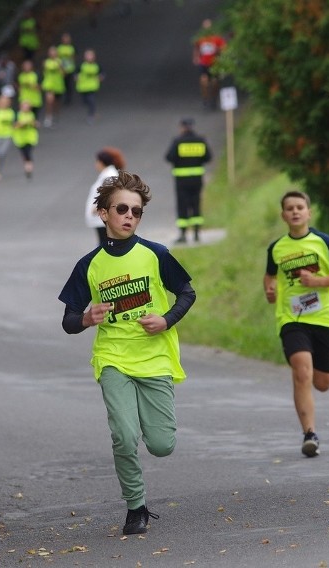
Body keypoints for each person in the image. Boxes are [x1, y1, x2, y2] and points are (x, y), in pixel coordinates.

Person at [58, 170, 196, 536]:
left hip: (155, 357)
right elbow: (69, 320)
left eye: (136, 211)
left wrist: (166, 320)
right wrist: (87, 317)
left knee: (162, 445)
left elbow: (187, 293)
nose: (130, 216)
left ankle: (143, 490)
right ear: (104, 213)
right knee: (123, 435)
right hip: (113, 357)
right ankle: (136, 507)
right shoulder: (89, 265)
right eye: (122, 208)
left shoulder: (156, 254)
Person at [263, 191, 329, 457]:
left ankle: (315, 389)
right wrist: (270, 290)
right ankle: (309, 434)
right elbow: (269, 277)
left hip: (324, 318)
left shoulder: (323, 242)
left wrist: (318, 282)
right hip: (292, 318)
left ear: (308, 213)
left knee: (322, 383)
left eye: (300, 207)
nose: (295, 212)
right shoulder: (276, 248)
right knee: (301, 372)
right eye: (290, 208)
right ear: (283, 215)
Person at [164, 118, 212, 244]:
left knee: (182, 206)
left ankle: (183, 235)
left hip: (182, 181)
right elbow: (208, 157)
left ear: (182, 127)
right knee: (196, 204)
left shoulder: (178, 141)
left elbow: (169, 157)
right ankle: (196, 234)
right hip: (197, 180)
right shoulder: (200, 141)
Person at [85, 147, 126, 244]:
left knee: (104, 245)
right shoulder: (107, 174)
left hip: (102, 218)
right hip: (101, 217)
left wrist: (98, 207)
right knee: (104, 244)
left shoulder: (109, 175)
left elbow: (112, 194)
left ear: (102, 162)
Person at [192, 18, 226, 109]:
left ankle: (214, 99)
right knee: (204, 82)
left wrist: (218, 51)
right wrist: (196, 57)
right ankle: (205, 99)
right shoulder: (200, 38)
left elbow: (224, 48)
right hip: (204, 63)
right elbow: (196, 47)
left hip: (215, 64)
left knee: (215, 82)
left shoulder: (216, 38)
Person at [12, 100, 39, 180]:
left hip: (30, 137)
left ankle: (29, 168)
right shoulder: (17, 115)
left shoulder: (32, 114)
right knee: (24, 153)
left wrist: (32, 123)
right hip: (20, 138)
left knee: (28, 152)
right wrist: (21, 124)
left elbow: (36, 124)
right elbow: (14, 126)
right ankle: (27, 165)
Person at [76, 48, 103, 123]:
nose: (89, 57)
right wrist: (76, 78)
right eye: (88, 56)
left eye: (91, 56)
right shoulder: (81, 66)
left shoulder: (97, 66)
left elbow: (102, 74)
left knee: (92, 101)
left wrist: (100, 78)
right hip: (83, 87)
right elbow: (76, 73)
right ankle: (92, 112)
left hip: (92, 86)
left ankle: (91, 115)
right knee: (85, 101)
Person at [41, 46, 66, 128]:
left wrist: (60, 67)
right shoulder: (46, 62)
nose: (53, 54)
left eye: (54, 52)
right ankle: (48, 117)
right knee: (49, 101)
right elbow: (44, 72)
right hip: (49, 84)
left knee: (56, 103)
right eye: (51, 52)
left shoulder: (60, 62)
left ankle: (56, 115)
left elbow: (64, 74)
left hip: (58, 84)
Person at [57, 33, 77, 105]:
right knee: (62, 84)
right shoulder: (59, 48)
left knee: (69, 84)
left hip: (70, 68)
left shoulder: (71, 48)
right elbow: (57, 58)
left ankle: (68, 98)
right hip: (62, 68)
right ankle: (60, 98)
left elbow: (73, 57)